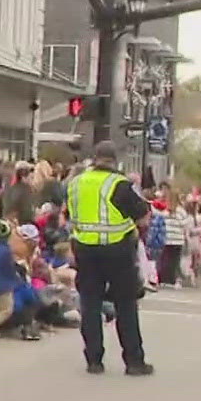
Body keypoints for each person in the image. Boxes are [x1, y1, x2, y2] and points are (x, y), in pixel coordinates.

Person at [67, 141, 153, 376]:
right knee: (125, 305)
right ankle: (134, 361)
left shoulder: (75, 184)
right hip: (117, 250)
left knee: (90, 304)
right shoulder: (119, 184)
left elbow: (71, 215)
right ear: (114, 161)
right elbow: (143, 216)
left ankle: (94, 360)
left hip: (85, 249)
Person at [0, 220, 43, 340]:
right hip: (7, 290)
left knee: (27, 296)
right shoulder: (6, 252)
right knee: (14, 305)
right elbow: (8, 271)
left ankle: (25, 326)